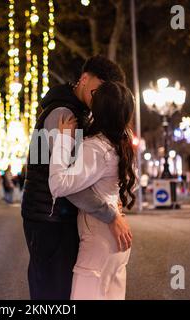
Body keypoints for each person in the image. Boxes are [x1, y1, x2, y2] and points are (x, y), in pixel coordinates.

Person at [21, 55, 132, 300]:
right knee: (52, 291)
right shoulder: (63, 114)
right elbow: (67, 183)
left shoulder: (74, 112)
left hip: (53, 213)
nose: (99, 100)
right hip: (49, 217)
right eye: (96, 92)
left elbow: (44, 162)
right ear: (83, 79)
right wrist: (109, 214)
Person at [49, 81, 135, 299]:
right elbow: (131, 184)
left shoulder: (96, 148)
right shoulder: (121, 144)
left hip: (100, 236)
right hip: (115, 238)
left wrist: (63, 141)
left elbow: (59, 184)